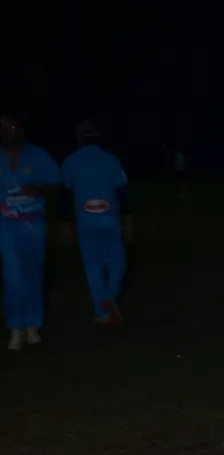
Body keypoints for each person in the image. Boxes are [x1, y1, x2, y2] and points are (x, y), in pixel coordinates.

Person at [0, 112, 61, 349]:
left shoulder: (38, 156)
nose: (5, 131)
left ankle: (32, 325)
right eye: (2, 127)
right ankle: (15, 327)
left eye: (10, 127)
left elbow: (57, 187)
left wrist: (39, 191)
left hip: (34, 223)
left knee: (33, 272)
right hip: (6, 225)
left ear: (21, 131)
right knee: (13, 276)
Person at [61, 120, 132, 325]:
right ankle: (109, 299)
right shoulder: (111, 160)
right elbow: (123, 191)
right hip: (109, 220)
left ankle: (102, 311)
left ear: (78, 138)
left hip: (85, 222)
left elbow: (64, 195)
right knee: (117, 262)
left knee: (93, 267)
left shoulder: (71, 162)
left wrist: (65, 223)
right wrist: (128, 219)